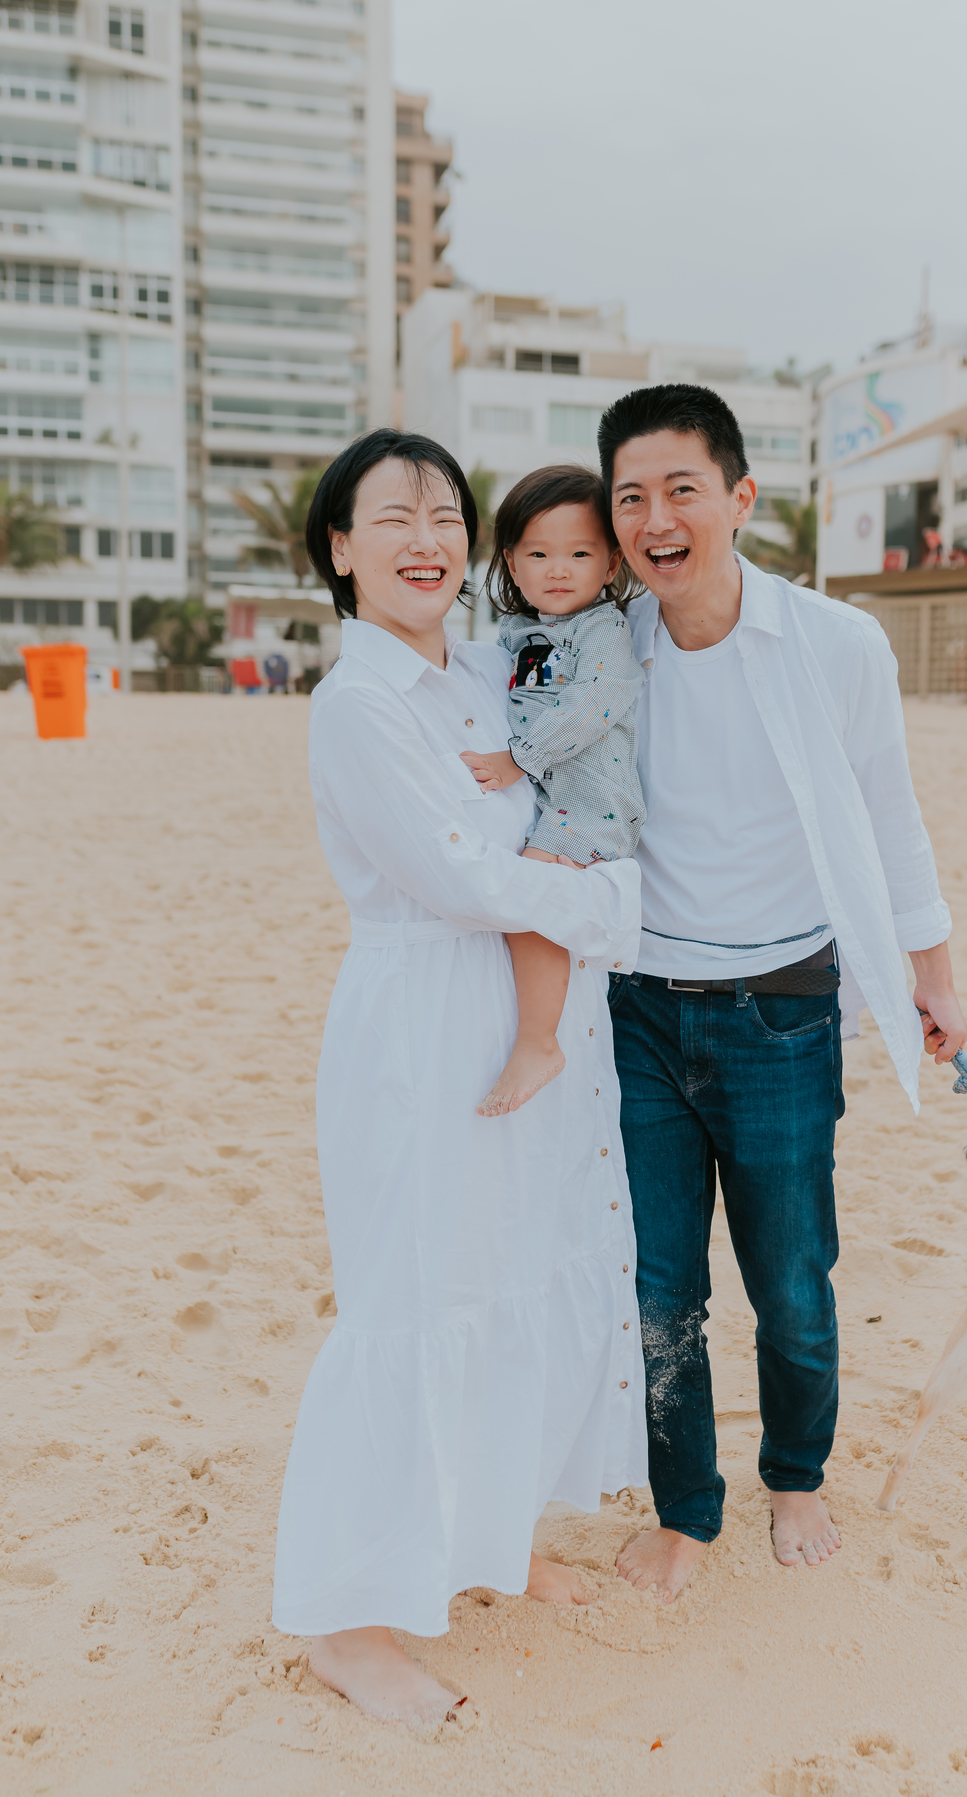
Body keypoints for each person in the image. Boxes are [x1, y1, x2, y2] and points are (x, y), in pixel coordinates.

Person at [271, 430, 646, 1728]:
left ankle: (494, 1534)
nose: (426, 540)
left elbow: (574, 753)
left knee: (516, 1267)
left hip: (527, 1013)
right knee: (415, 1295)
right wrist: (616, 904)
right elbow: (462, 875)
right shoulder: (359, 703)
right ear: (340, 548)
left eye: (445, 516)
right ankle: (347, 1624)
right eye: (394, 518)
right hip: (425, 1023)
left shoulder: (488, 666)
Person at [597, 384, 967, 1602]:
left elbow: (890, 817)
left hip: (785, 1012)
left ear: (741, 498)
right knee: (660, 1293)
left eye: (682, 490)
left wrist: (933, 977)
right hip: (641, 1012)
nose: (656, 519)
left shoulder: (837, 644)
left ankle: (796, 1477)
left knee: (794, 1289)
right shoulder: (607, 647)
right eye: (632, 497)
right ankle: (686, 1509)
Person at [459, 465, 646, 1116]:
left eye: (579, 554)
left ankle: (540, 1041)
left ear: (612, 563)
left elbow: (599, 701)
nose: (558, 569)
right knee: (526, 900)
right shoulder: (516, 633)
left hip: (593, 802)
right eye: (538, 554)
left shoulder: (602, 629)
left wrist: (519, 759)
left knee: (530, 897)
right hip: (552, 804)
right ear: (511, 562)